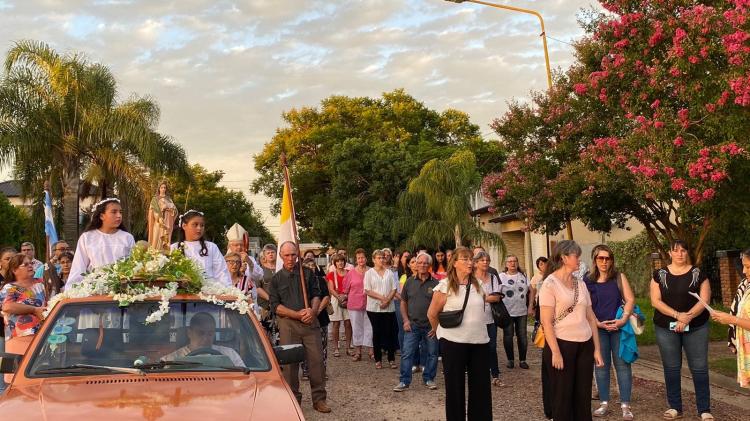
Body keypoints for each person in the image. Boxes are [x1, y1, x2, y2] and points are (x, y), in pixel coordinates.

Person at [539, 240, 603, 421]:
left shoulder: (580, 284)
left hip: (584, 344)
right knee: (562, 396)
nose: (579, 259)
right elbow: (546, 322)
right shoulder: (550, 284)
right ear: (564, 258)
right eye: (576, 256)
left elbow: (591, 317)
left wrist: (597, 349)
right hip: (561, 344)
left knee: (583, 395)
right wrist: (556, 352)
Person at [427, 246, 492, 421]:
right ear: (454, 263)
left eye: (471, 259)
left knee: (481, 389)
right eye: (465, 259)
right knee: (455, 389)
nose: (470, 262)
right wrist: (439, 332)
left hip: (480, 342)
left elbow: (482, 309)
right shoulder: (445, 285)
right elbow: (432, 314)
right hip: (453, 343)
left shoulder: (478, 284)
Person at [650, 240, 712, 420]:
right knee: (671, 367)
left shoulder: (698, 273)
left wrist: (687, 318)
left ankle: (704, 409)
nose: (680, 254)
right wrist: (678, 316)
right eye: (676, 251)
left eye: (683, 251)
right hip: (666, 327)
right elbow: (656, 301)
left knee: (699, 368)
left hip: (697, 326)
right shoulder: (659, 274)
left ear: (687, 253)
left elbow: (704, 300)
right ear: (670, 253)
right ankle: (675, 407)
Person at [269, 241, 330, 413]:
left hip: (310, 323)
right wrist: (296, 315)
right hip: (288, 324)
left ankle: (319, 399)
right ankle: (293, 400)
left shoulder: (308, 274)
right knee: (290, 366)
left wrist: (313, 310)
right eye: (286, 255)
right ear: (281, 256)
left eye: (293, 254)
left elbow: (317, 295)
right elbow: (275, 306)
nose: (290, 258)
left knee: (317, 361)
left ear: (298, 255)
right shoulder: (276, 279)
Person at [584, 245, 635, 420]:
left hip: (618, 328)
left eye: (608, 258)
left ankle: (625, 405)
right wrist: (597, 323)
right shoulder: (587, 281)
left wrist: (623, 319)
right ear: (595, 260)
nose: (604, 262)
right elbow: (585, 306)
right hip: (599, 329)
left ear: (612, 260)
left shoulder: (619, 277)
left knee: (622, 366)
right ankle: (604, 403)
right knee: (601, 367)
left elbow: (630, 300)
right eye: (601, 258)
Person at [394, 252, 440, 391]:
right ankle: (404, 381)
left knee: (432, 354)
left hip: (430, 326)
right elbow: (403, 303)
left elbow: (440, 306)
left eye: (425, 263)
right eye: (419, 262)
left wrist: (436, 325)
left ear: (430, 265)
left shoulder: (436, 283)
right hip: (412, 324)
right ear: (415, 265)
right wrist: (406, 320)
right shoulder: (409, 281)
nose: (422, 265)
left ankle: (429, 379)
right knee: (407, 353)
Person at [68, 198, 135, 285]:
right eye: (114, 212)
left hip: (121, 288)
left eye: (120, 212)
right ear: (101, 216)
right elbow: (79, 266)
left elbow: (133, 266)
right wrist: (72, 289)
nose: (119, 215)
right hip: (93, 288)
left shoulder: (127, 238)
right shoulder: (87, 237)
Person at [711, 248, 750, 388]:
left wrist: (732, 319)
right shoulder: (746, 285)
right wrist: (726, 317)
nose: (744, 271)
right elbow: (738, 311)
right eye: (744, 266)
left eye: (748, 266)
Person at [171, 210, 231, 286]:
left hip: (210, 292)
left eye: (202, 225)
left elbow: (222, 272)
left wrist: (227, 290)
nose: (199, 228)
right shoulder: (174, 248)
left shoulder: (211, 247)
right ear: (184, 226)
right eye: (195, 225)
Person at [162, 312, 244, 366]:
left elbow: (244, 378)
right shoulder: (171, 360)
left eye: (210, 333)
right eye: (200, 333)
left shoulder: (230, 354)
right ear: (189, 333)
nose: (206, 338)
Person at [474, 250, 504, 386]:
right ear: (476, 263)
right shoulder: (471, 278)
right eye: (482, 260)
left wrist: (481, 298)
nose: (485, 262)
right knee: (477, 347)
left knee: (492, 347)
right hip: (474, 319)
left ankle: (495, 374)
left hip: (491, 318)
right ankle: (479, 373)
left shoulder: (493, 277)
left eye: (487, 260)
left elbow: (497, 297)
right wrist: (488, 298)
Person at [364, 249, 398, 369]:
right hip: (374, 308)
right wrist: (382, 298)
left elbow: (394, 289)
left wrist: (387, 300)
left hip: (389, 308)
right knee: (377, 332)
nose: (381, 260)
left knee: (389, 332)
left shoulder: (389, 272)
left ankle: (391, 359)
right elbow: (367, 290)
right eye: (379, 258)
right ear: (373, 259)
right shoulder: (369, 273)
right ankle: (378, 359)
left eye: (383, 257)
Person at [0, 254, 46, 338]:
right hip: (19, 336)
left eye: (31, 263)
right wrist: (34, 310)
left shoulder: (40, 283)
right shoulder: (10, 287)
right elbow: (7, 306)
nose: (30, 266)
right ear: (14, 270)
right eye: (25, 264)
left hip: (43, 335)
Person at [499, 254, 531, 369]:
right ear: (506, 264)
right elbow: (497, 293)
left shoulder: (523, 275)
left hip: (522, 311)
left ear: (517, 263)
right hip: (507, 311)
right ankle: (510, 360)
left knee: (522, 336)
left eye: (514, 261)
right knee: (508, 335)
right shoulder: (501, 276)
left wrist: (531, 305)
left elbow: (531, 290)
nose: (512, 263)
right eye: (510, 261)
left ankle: (523, 360)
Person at [344, 248, 373, 361]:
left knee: (370, 327)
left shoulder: (371, 271)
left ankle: (371, 351)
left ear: (366, 259)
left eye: (363, 257)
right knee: (356, 328)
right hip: (354, 304)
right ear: (356, 260)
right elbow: (346, 289)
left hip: (370, 303)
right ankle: (358, 352)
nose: (361, 260)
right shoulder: (350, 273)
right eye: (358, 258)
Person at [326, 253, 352, 357]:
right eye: (338, 261)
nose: (340, 263)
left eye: (342, 261)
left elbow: (353, 285)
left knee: (348, 323)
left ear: (344, 262)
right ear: (335, 263)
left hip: (348, 298)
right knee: (336, 324)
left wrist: (347, 296)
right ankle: (336, 348)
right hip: (336, 298)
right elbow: (331, 289)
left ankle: (348, 347)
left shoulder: (350, 272)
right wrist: (339, 297)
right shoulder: (332, 274)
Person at [147, 180, 177, 252]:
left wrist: (169, 209)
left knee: (166, 241)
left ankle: (165, 255)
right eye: (162, 187)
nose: (163, 189)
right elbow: (152, 211)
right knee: (156, 238)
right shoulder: (155, 199)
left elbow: (175, 211)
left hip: (167, 223)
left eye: (164, 187)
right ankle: (154, 255)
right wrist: (159, 216)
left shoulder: (169, 199)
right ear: (159, 189)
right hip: (158, 223)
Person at [257, 244, 277, 337]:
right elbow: (257, 288)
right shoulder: (260, 269)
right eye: (268, 253)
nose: (270, 254)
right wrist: (270, 298)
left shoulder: (281, 268)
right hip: (265, 306)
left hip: (281, 306)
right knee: (265, 334)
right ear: (264, 255)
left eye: (272, 252)